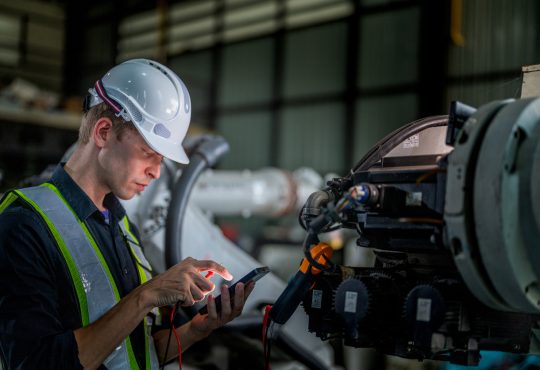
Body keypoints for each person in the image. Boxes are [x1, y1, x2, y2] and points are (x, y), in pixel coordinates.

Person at [0, 58, 255, 369]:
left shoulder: (120, 223)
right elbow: (37, 363)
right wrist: (147, 294)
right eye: (148, 153)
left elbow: (135, 351)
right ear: (104, 132)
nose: (156, 172)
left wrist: (196, 330)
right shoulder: (24, 224)